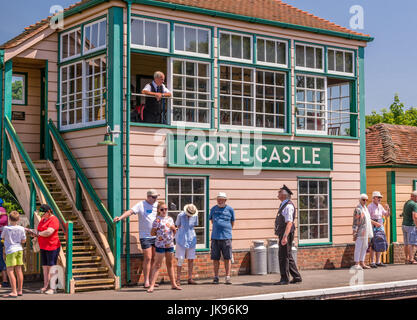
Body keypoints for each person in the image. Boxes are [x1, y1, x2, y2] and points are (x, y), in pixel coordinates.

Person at [113, 189, 159, 288]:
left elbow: (163, 215)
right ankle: (146, 281)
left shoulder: (157, 205)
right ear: (148, 197)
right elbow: (130, 211)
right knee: (148, 258)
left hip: (156, 235)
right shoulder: (141, 204)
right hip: (145, 236)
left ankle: (152, 280)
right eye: (154, 197)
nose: (156, 199)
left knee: (155, 258)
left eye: (156, 197)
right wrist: (120, 218)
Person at [147, 201, 181, 293]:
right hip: (160, 245)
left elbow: (174, 231)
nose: (164, 211)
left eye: (166, 209)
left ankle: (173, 284)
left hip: (169, 244)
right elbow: (152, 233)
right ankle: (152, 286)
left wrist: (174, 229)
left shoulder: (170, 219)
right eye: (162, 209)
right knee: (157, 265)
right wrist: (156, 229)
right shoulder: (157, 220)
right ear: (158, 210)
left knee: (170, 264)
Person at [274, 185, 302, 285]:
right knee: (287, 255)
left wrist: (285, 236)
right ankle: (297, 277)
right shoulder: (283, 204)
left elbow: (289, 222)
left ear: (284, 195)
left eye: (279, 192)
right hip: (283, 233)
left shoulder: (288, 206)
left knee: (283, 256)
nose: (278, 194)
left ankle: (284, 279)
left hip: (286, 233)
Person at [33, 204, 61, 294]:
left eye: (43, 214)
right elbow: (40, 230)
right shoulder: (43, 219)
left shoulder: (54, 219)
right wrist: (35, 235)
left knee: (51, 266)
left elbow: (49, 232)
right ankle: (45, 286)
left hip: (52, 246)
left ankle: (53, 288)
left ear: (48, 212)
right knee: (45, 267)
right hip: (43, 246)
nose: (42, 215)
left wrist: (38, 233)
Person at [209, 192, 235, 285]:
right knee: (215, 258)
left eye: (221, 199)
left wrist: (225, 229)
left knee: (227, 258)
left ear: (225, 200)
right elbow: (212, 221)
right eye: (218, 199)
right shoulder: (213, 209)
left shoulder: (230, 209)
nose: (219, 201)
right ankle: (216, 277)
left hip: (226, 237)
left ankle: (227, 277)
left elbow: (232, 222)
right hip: (215, 237)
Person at [1, 211, 26, 298]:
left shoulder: (6, 228)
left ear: (9, 219)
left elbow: (2, 238)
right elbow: (24, 240)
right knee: (19, 270)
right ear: (18, 219)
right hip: (19, 249)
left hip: (11, 250)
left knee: (10, 271)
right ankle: (20, 290)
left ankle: (14, 291)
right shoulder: (21, 228)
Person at [175, 204, 199, 286]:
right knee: (180, 259)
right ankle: (178, 279)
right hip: (181, 238)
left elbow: (194, 225)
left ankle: (190, 278)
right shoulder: (180, 215)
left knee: (191, 259)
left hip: (191, 238)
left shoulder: (195, 216)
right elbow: (177, 225)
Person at [368, 191, 390, 268]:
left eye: (380, 197)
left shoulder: (380, 206)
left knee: (380, 242)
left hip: (380, 226)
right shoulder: (370, 206)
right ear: (374, 198)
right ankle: (372, 262)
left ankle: (378, 261)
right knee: (373, 244)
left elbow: (386, 215)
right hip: (373, 227)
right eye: (378, 197)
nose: (380, 199)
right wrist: (375, 223)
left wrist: (388, 209)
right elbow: (368, 218)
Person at [352, 194, 374, 270]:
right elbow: (355, 222)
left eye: (366, 200)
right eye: (363, 200)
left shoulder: (365, 209)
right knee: (358, 247)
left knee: (365, 247)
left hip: (366, 231)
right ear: (360, 200)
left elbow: (368, 220)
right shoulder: (358, 209)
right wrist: (354, 232)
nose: (365, 201)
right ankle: (356, 263)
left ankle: (362, 262)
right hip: (360, 231)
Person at [401, 191, 417, 264]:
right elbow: (415, 216)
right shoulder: (414, 204)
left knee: (406, 243)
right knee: (411, 243)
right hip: (411, 225)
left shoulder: (407, 203)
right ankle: (411, 259)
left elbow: (403, 213)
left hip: (404, 225)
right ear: (414, 197)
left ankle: (407, 258)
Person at [0, 199, 9, 288]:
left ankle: (5, 280)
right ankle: (5, 280)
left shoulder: (2, 211)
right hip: (3, 237)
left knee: (1, 259)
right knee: (1, 259)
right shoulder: (3, 211)